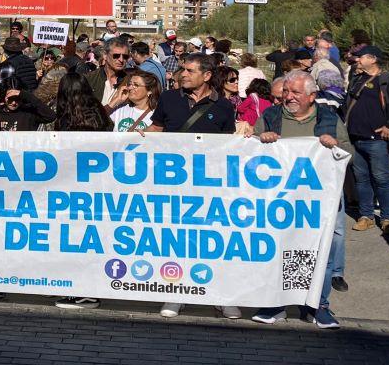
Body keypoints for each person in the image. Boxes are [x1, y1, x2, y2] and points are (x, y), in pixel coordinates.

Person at [250, 71, 350, 329]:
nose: (289, 97)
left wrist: (334, 145)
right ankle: (276, 303)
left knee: (321, 252)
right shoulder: (271, 117)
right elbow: (248, 148)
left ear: (312, 96)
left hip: (318, 202)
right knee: (280, 248)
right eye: (286, 91)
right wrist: (261, 140)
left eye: (295, 92)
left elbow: (348, 152)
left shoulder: (328, 118)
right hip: (278, 200)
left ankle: (318, 305)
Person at [145, 53, 240, 320]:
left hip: (209, 187)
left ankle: (221, 296)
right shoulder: (169, 98)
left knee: (212, 242)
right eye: (182, 70)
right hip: (174, 186)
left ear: (207, 76)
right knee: (177, 242)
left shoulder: (223, 106)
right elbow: (157, 128)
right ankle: (176, 295)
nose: (182, 74)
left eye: (188, 70)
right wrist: (132, 140)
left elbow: (228, 143)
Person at [50, 71, 113, 311]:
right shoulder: (99, 115)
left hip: (72, 189)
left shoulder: (67, 120)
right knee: (88, 241)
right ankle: (84, 288)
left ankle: (84, 293)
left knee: (76, 240)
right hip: (96, 188)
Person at [344, 45, 389, 235]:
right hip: (355, 139)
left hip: (377, 140)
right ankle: (365, 216)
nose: (357, 60)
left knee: (382, 179)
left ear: (373, 59)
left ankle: (386, 219)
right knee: (361, 180)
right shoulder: (357, 78)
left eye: (361, 57)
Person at [86, 37, 129, 105]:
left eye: (125, 56)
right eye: (116, 56)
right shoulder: (89, 79)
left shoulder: (130, 81)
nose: (121, 60)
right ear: (105, 55)